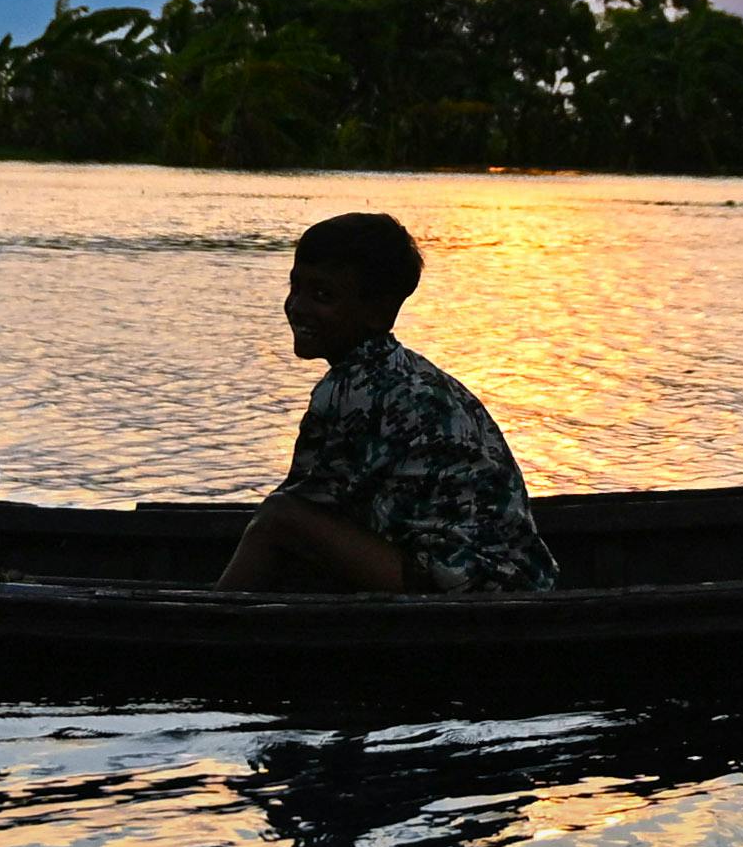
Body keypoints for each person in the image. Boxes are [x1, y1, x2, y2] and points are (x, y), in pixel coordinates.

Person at [217, 211, 564, 594]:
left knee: (278, 519)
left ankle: (211, 627)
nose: (297, 307)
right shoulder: (405, 371)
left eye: (323, 296)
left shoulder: (353, 389)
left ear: (378, 312)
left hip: (472, 584)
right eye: (295, 287)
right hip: (509, 575)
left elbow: (301, 507)